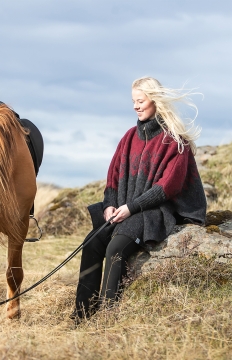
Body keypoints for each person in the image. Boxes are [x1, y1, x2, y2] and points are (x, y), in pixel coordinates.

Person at [72, 76, 207, 321]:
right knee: (92, 242)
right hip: (122, 210)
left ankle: (106, 317)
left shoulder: (175, 140)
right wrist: (110, 205)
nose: (135, 106)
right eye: (133, 101)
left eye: (140, 100)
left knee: (115, 248)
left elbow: (167, 187)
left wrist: (131, 208)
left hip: (154, 212)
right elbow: (112, 178)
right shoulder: (129, 137)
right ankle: (81, 315)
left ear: (154, 101)